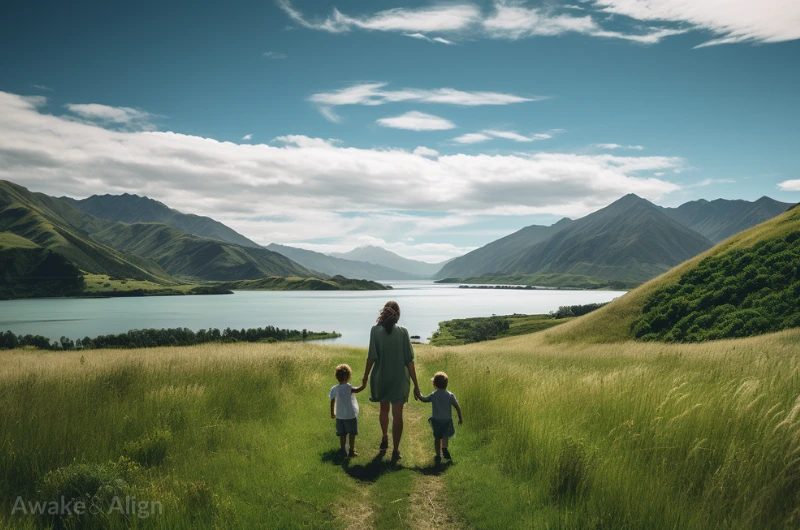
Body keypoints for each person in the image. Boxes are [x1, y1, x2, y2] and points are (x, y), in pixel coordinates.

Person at [361, 301, 421, 461]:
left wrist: (365, 378)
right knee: (397, 415)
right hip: (399, 380)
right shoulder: (403, 332)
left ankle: (384, 437)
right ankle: (396, 450)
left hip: (381, 378)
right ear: (397, 314)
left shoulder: (375, 331)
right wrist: (416, 384)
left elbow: (371, 357)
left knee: (383, 410)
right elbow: (409, 361)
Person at [419, 371, 463, 463]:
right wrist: (460, 418)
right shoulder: (450, 395)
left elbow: (424, 399)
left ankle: (438, 455)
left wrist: (418, 394)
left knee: (437, 437)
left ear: (435, 384)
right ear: (446, 384)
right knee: (445, 436)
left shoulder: (434, 395)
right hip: (447, 420)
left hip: (436, 420)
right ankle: (444, 448)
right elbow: (457, 407)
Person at [330, 363, 366, 457]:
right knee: (352, 434)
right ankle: (351, 450)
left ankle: (343, 450)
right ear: (348, 376)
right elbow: (358, 389)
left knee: (342, 434)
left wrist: (332, 413)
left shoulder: (334, 389)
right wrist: (364, 383)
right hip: (350, 415)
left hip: (339, 415)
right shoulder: (349, 387)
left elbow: (332, 402)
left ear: (337, 376)